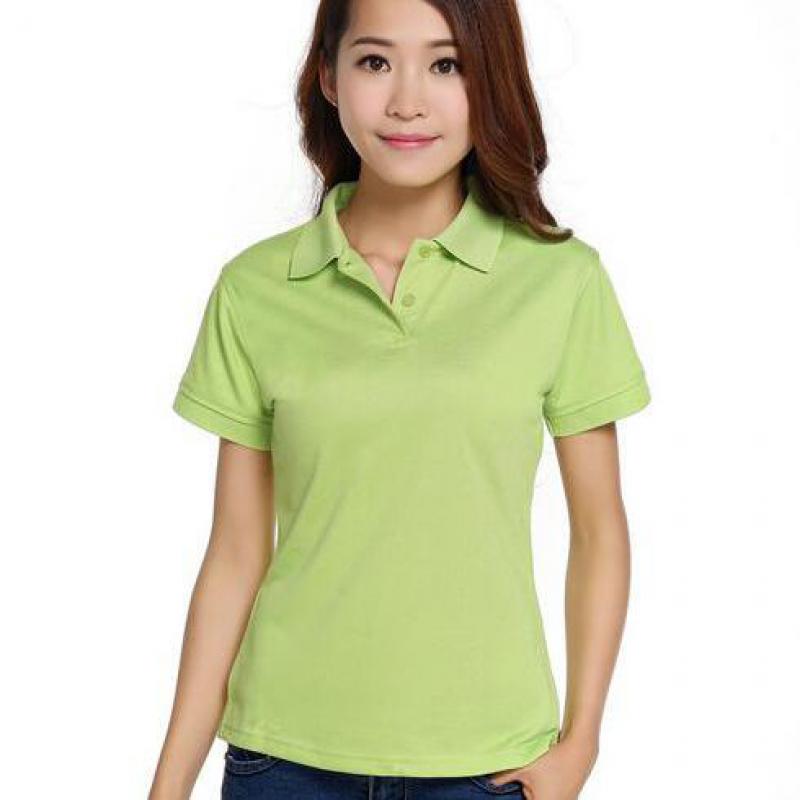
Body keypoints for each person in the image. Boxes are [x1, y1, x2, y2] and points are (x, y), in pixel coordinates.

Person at [148, 0, 652, 798]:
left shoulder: (561, 282)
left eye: (446, 64)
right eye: (375, 62)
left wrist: (580, 741)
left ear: (491, 81)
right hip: (283, 761)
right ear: (328, 76)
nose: (407, 101)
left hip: (489, 766)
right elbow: (236, 554)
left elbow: (599, 531)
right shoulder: (255, 289)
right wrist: (168, 786)